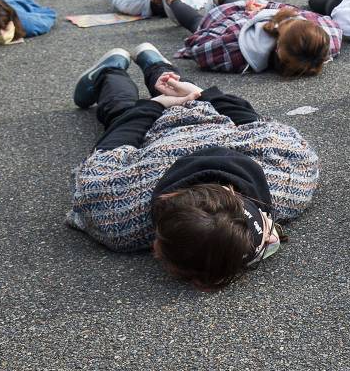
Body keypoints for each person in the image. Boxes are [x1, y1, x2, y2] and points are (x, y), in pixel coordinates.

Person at [69, 44, 320, 288]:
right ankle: (141, 66)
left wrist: (158, 105)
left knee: (127, 107)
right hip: (188, 118)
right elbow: (108, 151)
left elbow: (253, 121)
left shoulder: (290, 181)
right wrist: (198, 95)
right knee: (125, 109)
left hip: (182, 122)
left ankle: (125, 68)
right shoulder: (120, 214)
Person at [157, 0, 343, 76]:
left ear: (279, 48)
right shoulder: (325, 42)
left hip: (228, 24)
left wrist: (248, 15)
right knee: (242, 4)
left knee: (197, 22)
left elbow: (199, 46)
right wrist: (263, 11)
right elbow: (327, 23)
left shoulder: (238, 50)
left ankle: (172, 0)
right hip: (255, 15)